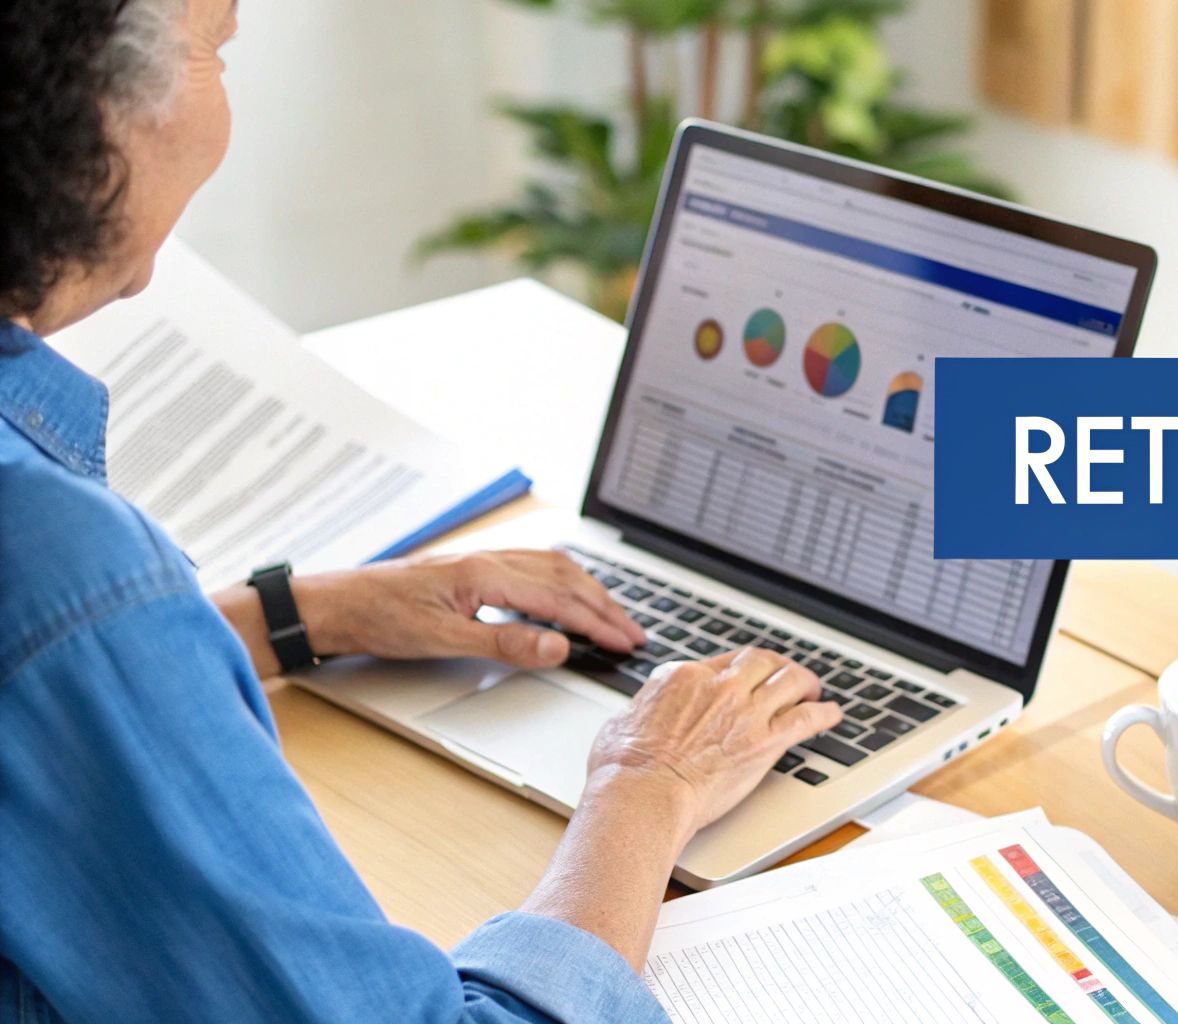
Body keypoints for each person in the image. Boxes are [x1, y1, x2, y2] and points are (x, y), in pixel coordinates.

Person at [0, 0, 843, 1020]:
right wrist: (649, 779)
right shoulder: (57, 560)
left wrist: (296, 615)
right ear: (83, 103)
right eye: (216, 46)